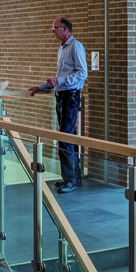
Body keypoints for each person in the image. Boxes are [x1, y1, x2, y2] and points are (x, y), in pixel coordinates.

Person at [28, 16, 87, 193]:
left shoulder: (76, 46)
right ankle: (72, 178)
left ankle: (70, 179)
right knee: (69, 138)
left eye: (55, 28)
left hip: (70, 97)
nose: (53, 31)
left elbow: (82, 73)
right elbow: (58, 78)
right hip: (61, 96)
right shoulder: (62, 48)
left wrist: (59, 80)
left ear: (65, 29)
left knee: (65, 138)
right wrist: (40, 87)